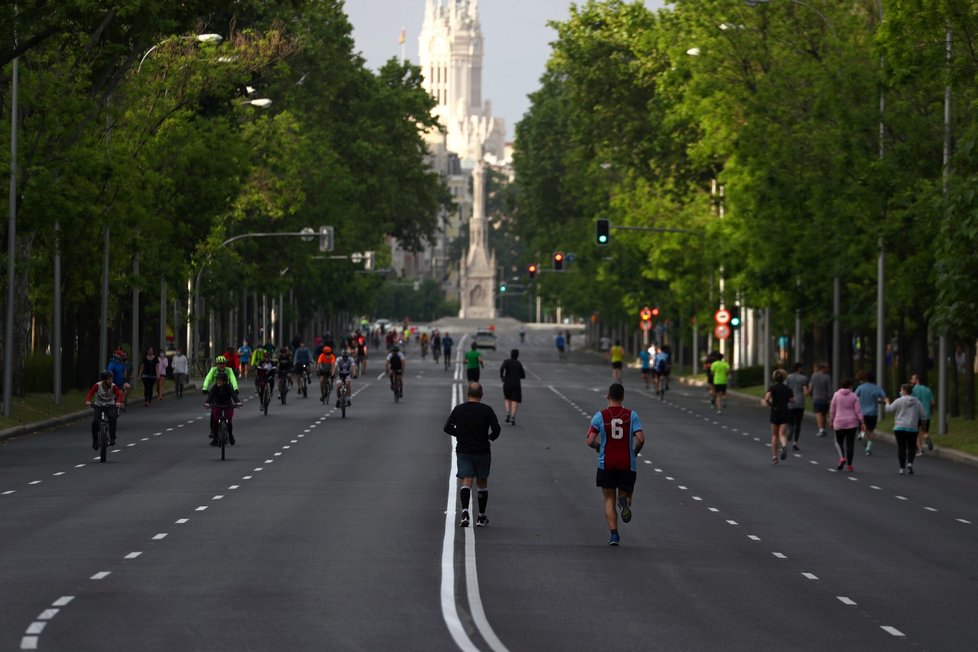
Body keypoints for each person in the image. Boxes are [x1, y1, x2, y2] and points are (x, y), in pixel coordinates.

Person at [586, 383, 645, 546]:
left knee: (608, 499)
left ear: (608, 397)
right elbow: (640, 438)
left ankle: (614, 535)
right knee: (625, 495)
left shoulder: (600, 416)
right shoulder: (632, 415)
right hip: (627, 463)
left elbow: (589, 440)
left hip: (607, 464)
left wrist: (598, 447)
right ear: (623, 397)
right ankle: (624, 502)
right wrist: (635, 452)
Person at [443, 382, 501, 527]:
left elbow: (447, 428)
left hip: (464, 450)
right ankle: (481, 516)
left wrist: (460, 434)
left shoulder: (459, 409)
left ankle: (464, 513)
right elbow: (497, 429)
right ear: (481, 395)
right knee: (482, 482)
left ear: (468, 394)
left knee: (466, 481)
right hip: (482, 450)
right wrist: (490, 437)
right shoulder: (487, 410)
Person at [885, 383, 923, 474]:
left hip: (899, 427)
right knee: (911, 447)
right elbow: (923, 414)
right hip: (912, 428)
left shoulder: (899, 401)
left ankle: (902, 468)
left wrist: (887, 403)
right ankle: (910, 463)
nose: (900, 391)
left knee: (901, 447)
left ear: (905, 391)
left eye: (901, 389)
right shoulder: (917, 402)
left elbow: (889, 410)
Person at [829, 379, 864, 472]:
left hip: (839, 421)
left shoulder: (836, 395)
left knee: (838, 441)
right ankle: (849, 465)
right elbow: (858, 411)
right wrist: (862, 422)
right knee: (850, 444)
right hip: (852, 423)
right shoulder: (854, 396)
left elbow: (832, 410)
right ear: (850, 386)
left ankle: (842, 458)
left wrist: (831, 421)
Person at [84, 371, 124, 448]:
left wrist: (118, 402)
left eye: (111, 379)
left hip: (110, 405)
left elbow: (119, 394)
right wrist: (88, 401)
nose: (111, 381)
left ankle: (112, 438)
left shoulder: (113, 386)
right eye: (109, 379)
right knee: (95, 422)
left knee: (112, 417)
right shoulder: (97, 385)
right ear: (104, 380)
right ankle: (95, 441)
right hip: (99, 406)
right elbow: (90, 393)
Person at [764, 369, 794, 463]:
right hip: (785, 411)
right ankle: (784, 445)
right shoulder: (787, 389)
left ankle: (774, 457)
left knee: (774, 435)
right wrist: (786, 400)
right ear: (784, 377)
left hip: (775, 411)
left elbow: (766, 398)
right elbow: (792, 400)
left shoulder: (772, 388)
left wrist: (770, 404)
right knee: (782, 434)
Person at [204, 372, 242, 446]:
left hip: (228, 405)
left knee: (229, 421)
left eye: (220, 380)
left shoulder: (228, 387)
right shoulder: (214, 387)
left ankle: (230, 435)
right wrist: (207, 403)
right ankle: (215, 438)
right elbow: (210, 396)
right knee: (215, 421)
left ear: (224, 381)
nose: (218, 381)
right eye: (217, 380)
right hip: (217, 405)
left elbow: (233, 395)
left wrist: (238, 402)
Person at [855, 371, 887, 455]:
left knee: (862, 428)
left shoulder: (861, 387)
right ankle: (868, 448)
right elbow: (884, 398)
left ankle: (862, 436)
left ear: (866, 378)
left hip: (861, 412)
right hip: (873, 412)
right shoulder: (877, 388)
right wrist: (882, 402)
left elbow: (854, 397)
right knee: (871, 430)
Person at [784, 362, 810, 450]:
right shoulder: (804, 378)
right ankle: (795, 443)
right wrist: (804, 394)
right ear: (799, 368)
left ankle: (791, 428)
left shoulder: (788, 377)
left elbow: (785, 388)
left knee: (789, 419)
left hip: (790, 402)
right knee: (798, 423)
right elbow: (806, 391)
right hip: (800, 402)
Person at [500, 349, 526, 425]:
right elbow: (523, 375)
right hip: (516, 383)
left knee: (507, 398)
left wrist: (502, 376)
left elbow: (502, 368)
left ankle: (508, 412)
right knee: (515, 400)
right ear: (517, 355)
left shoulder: (506, 361)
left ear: (510, 354)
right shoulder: (519, 363)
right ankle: (513, 417)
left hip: (507, 382)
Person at [910, 374, 935, 454]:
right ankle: (927, 437)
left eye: (912, 379)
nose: (911, 380)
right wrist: (932, 410)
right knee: (925, 431)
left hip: (917, 415)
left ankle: (920, 450)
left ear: (917, 380)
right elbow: (932, 402)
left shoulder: (913, 389)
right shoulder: (928, 389)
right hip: (927, 414)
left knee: (916, 433)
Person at [810, 363, 833, 437]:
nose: (827, 369)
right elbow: (829, 389)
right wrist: (830, 398)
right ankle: (823, 428)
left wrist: (811, 394)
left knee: (818, 413)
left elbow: (811, 387)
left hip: (816, 397)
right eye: (826, 368)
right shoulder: (827, 377)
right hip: (825, 398)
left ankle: (821, 429)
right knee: (824, 414)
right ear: (822, 368)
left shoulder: (814, 376)